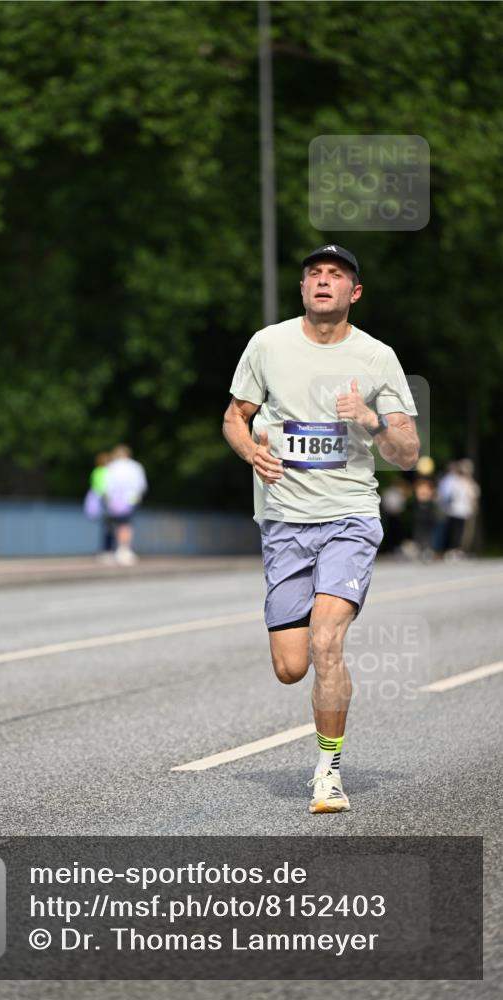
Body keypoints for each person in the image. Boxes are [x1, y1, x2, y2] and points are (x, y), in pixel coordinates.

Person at [223, 244, 419, 814]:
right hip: (284, 519)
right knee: (291, 666)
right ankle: (312, 648)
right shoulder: (268, 344)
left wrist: (372, 419)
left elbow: (407, 452)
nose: (324, 281)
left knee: (326, 641)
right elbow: (235, 416)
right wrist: (250, 455)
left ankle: (329, 771)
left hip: (349, 516)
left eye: (336, 275)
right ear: (303, 288)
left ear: (354, 293)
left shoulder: (377, 357)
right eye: (315, 274)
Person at [103, 445, 148, 565]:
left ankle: (114, 550)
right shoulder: (135, 466)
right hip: (130, 499)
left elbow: (107, 486)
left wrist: (109, 499)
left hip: (115, 501)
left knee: (116, 525)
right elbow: (141, 484)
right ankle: (124, 550)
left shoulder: (112, 467)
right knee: (126, 525)